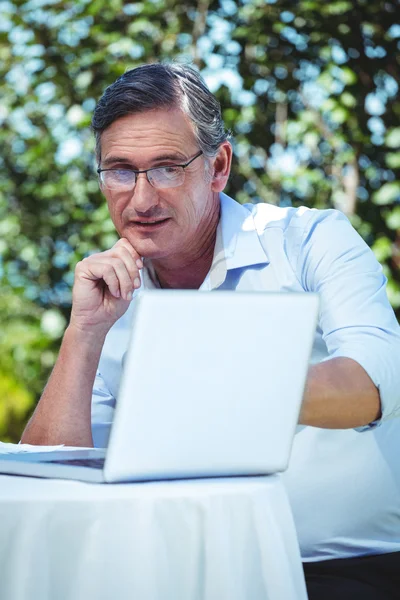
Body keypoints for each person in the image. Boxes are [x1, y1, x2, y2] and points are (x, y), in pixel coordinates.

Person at [22, 63, 400, 599]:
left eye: (169, 168)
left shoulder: (310, 240)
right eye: (121, 171)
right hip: (172, 578)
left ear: (218, 165)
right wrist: (83, 334)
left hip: (337, 570)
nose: (142, 199)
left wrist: (220, 385)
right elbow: (46, 483)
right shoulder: (109, 294)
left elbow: (375, 385)